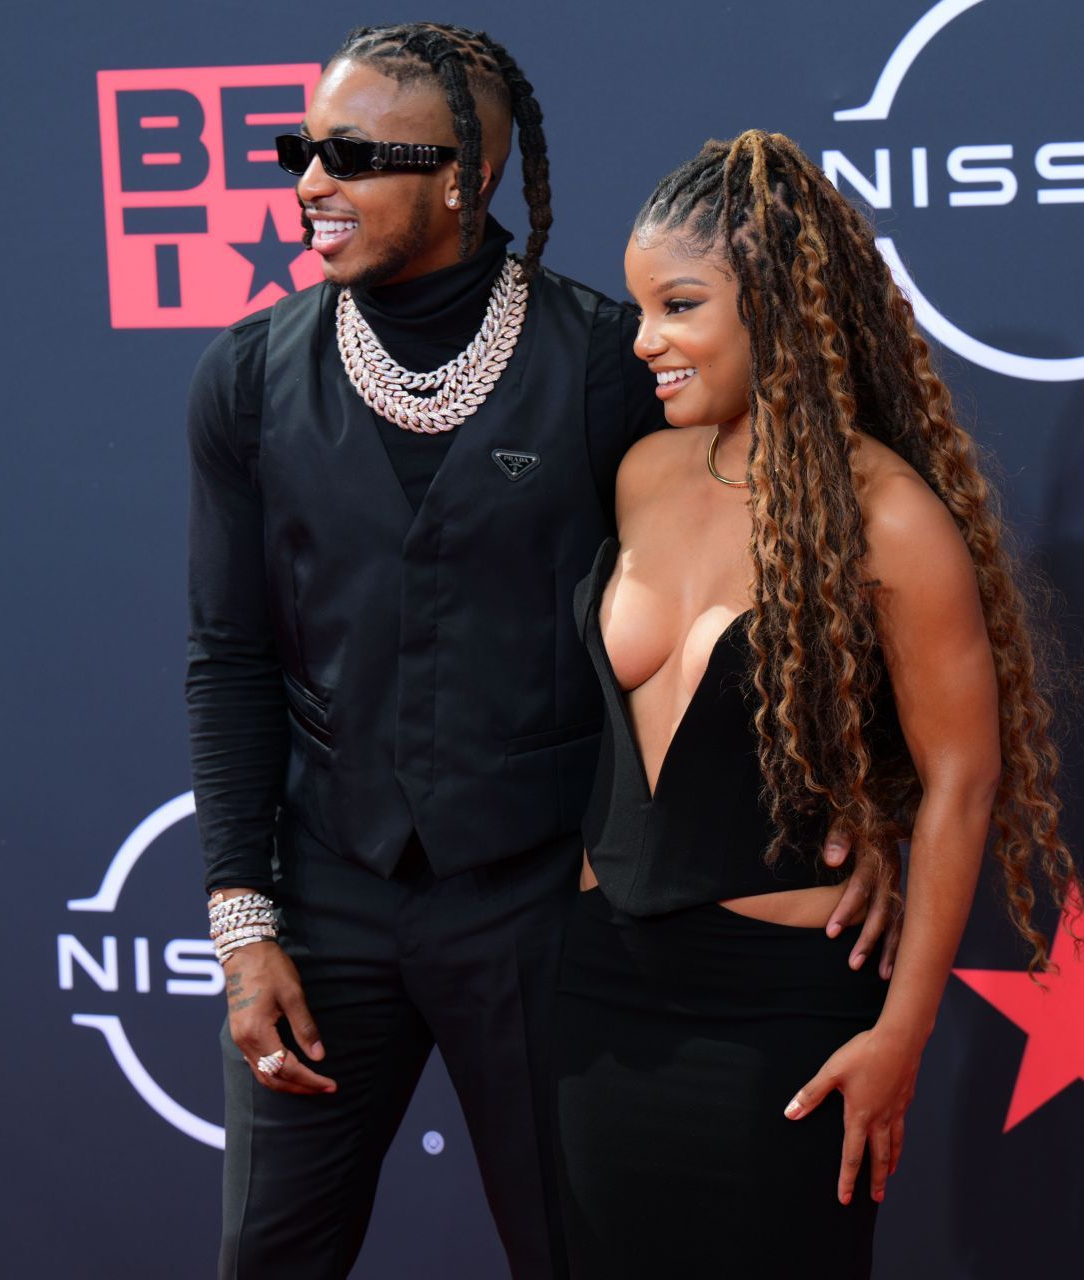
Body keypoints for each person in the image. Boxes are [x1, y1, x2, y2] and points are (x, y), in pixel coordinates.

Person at [186, 28, 895, 1279]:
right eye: (303, 149)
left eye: (352, 154)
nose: (309, 180)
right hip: (324, 902)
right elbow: (227, 654)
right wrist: (245, 925)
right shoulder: (246, 379)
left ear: (462, 176)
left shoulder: (609, 365)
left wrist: (861, 801)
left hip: (550, 911)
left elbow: (803, 564)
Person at [552, 130, 1084, 1278]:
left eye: (679, 306)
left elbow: (965, 778)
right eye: (642, 307)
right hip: (596, 994)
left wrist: (902, 1029)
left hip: (777, 1018)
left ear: (782, 305)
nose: (645, 341)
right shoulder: (645, 471)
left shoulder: (890, 518)